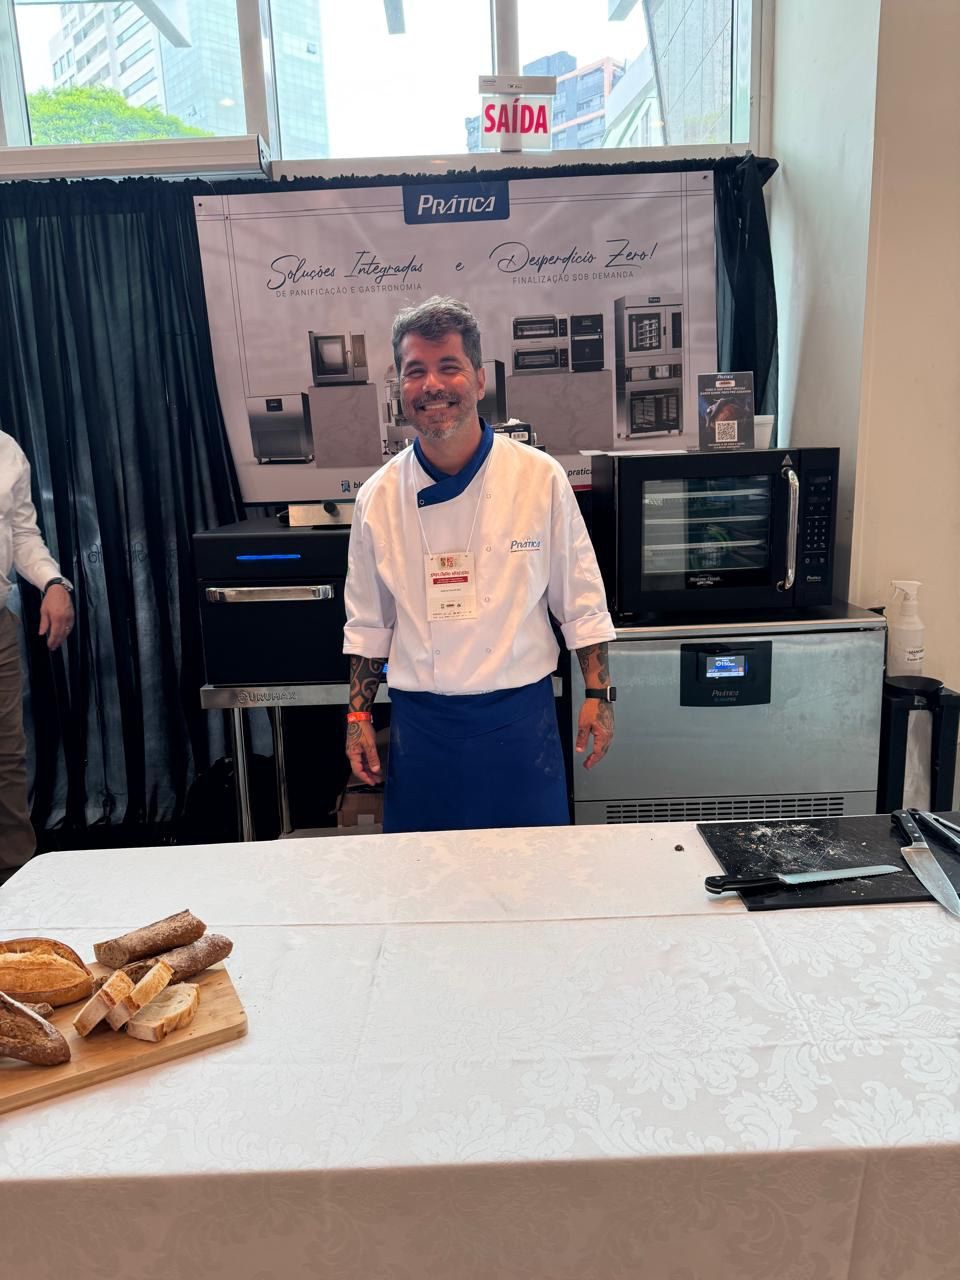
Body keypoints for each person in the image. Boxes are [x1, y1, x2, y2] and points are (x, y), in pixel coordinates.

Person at [342, 296, 616, 834]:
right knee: (426, 878)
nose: (432, 385)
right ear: (400, 386)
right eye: (415, 371)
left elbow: (581, 602)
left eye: (449, 367)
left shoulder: (539, 478)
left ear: (480, 378)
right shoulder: (377, 496)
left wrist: (598, 694)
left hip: (521, 724)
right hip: (422, 731)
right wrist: (357, 716)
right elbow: (369, 624)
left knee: (530, 875)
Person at [0, 430, 74, 873]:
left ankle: (14, 889)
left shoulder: (5, 448)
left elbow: (22, 534)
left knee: (6, 759)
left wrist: (53, 582)